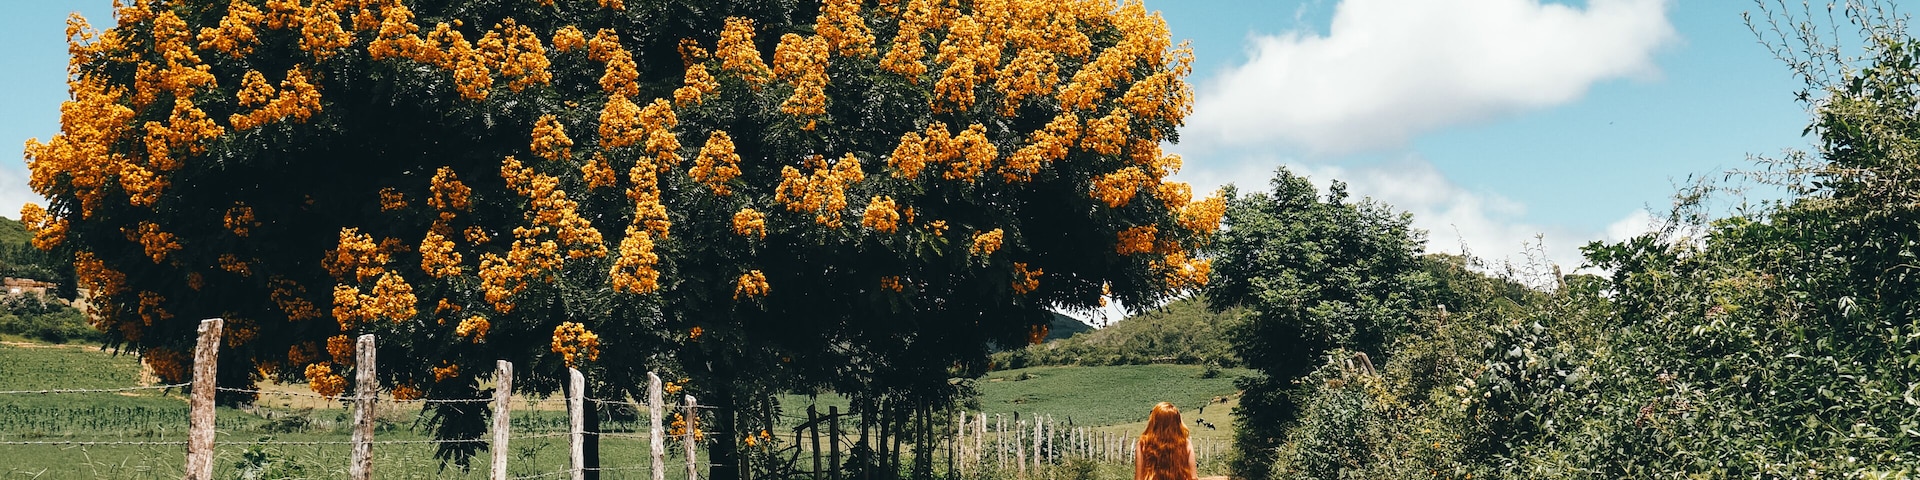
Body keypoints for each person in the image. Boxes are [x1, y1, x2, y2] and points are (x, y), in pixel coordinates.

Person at [1135, 402, 1198, 480]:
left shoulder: (1143, 444)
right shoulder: (1185, 443)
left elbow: (1139, 478)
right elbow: (1193, 477)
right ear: (1177, 422)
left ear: (1154, 421)